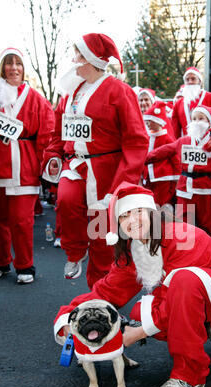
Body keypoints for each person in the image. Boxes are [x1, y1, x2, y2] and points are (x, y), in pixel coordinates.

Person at [54, 182, 211, 387]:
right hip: (195, 293)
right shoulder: (133, 247)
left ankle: (190, 376)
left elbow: (179, 293)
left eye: (138, 212)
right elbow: (107, 290)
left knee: (181, 282)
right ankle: (194, 332)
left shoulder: (181, 237)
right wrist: (68, 317)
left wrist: (137, 333)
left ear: (152, 213)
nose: (132, 221)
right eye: (124, 216)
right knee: (142, 312)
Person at [42, 33, 149, 289]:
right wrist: (54, 156)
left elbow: (136, 140)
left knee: (103, 234)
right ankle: (75, 252)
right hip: (75, 165)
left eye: (78, 55)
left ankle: (100, 292)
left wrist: (122, 182)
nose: (73, 60)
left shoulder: (120, 91)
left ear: (91, 59)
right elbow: (58, 132)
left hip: (106, 172)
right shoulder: (70, 93)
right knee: (66, 201)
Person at [0, 47, 55, 284]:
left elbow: (47, 132)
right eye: (9, 63)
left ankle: (25, 265)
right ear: (2, 67)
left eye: (18, 63)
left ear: (23, 68)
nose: (14, 68)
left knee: (21, 220)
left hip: (24, 167)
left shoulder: (36, 98)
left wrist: (43, 165)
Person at [147, 105, 211, 238]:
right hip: (184, 190)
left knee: (206, 225)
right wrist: (141, 159)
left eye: (201, 118)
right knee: (184, 225)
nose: (197, 122)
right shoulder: (184, 140)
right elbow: (163, 151)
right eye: (194, 118)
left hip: (204, 190)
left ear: (209, 123)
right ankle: (184, 253)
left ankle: (206, 253)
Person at [171, 66, 211, 139]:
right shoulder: (179, 103)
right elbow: (175, 128)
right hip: (187, 146)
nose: (190, 82)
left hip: (209, 142)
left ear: (199, 81)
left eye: (193, 79)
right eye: (187, 80)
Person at [142, 100, 180, 207]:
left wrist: (177, 178)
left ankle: (160, 222)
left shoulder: (167, 138)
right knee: (149, 201)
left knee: (160, 202)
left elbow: (175, 159)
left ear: (158, 121)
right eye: (147, 121)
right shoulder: (147, 137)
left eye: (150, 121)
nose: (147, 124)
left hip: (163, 177)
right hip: (148, 177)